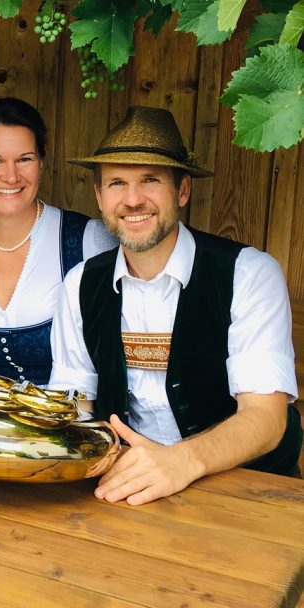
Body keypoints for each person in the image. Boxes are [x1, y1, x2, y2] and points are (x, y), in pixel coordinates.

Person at [49, 105, 302, 505]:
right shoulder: (79, 284)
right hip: (128, 485)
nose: (133, 199)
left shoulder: (249, 273)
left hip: (245, 493)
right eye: (116, 183)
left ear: (182, 190)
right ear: (99, 196)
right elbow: (74, 405)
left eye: (150, 180)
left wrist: (179, 462)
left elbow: (266, 418)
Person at [0, 97, 116, 385]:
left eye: (24, 159)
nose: (11, 176)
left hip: (70, 412)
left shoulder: (90, 241)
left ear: (41, 164)